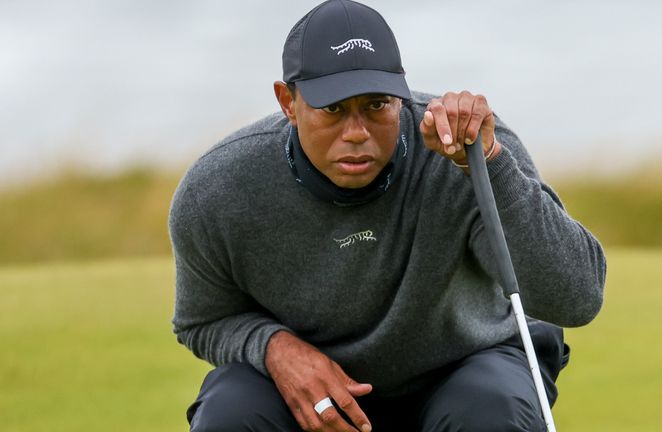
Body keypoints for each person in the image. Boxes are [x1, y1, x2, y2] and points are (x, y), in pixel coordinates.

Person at [169, 0, 606, 431]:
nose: (356, 133)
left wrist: (488, 163)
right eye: (333, 109)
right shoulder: (219, 188)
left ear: (401, 93)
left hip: (465, 367)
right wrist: (274, 349)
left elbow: (576, 297)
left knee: (489, 407)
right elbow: (205, 320)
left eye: (377, 105)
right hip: (316, 389)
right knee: (231, 412)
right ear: (288, 101)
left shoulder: (467, 147)